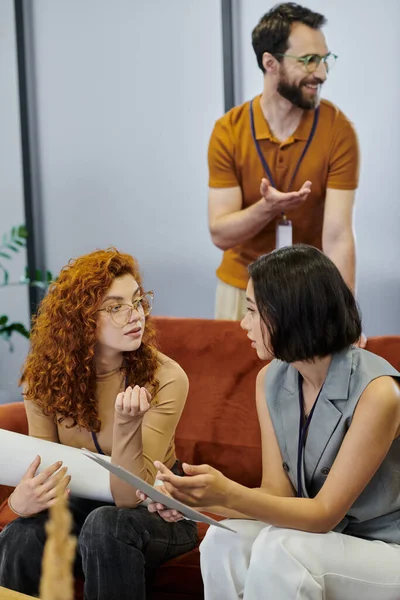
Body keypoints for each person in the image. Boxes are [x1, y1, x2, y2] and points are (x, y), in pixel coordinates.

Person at [147, 245, 400, 600]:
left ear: (290, 314)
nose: (242, 323)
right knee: (224, 538)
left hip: (386, 548)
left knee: (283, 550)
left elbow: (324, 514)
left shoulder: (379, 393)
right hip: (323, 539)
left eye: (251, 310)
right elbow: (275, 496)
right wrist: (192, 500)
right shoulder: (270, 380)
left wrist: (227, 492)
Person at [0, 248, 197, 600]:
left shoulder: (166, 377)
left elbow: (127, 497)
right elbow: (48, 472)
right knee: (23, 534)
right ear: (81, 318)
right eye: (116, 307)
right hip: (81, 503)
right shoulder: (45, 378)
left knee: (107, 525)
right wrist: (21, 503)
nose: (135, 316)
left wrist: (127, 425)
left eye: (137, 301)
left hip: (157, 509)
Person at [208, 3, 361, 330]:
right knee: (232, 381)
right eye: (309, 61)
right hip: (241, 288)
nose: (321, 73)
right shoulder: (228, 130)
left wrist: (347, 319)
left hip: (309, 293)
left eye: (324, 59)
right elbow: (220, 232)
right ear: (270, 63)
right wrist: (266, 208)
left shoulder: (338, 130)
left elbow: (337, 236)